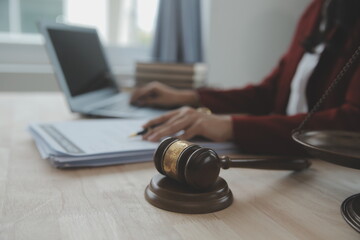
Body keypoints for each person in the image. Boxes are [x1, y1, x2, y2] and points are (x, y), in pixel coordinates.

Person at [131, 0, 360, 155]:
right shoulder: (316, 10)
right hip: (289, 158)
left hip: (328, 171)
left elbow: (351, 124)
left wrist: (232, 127)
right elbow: (269, 93)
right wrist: (187, 97)